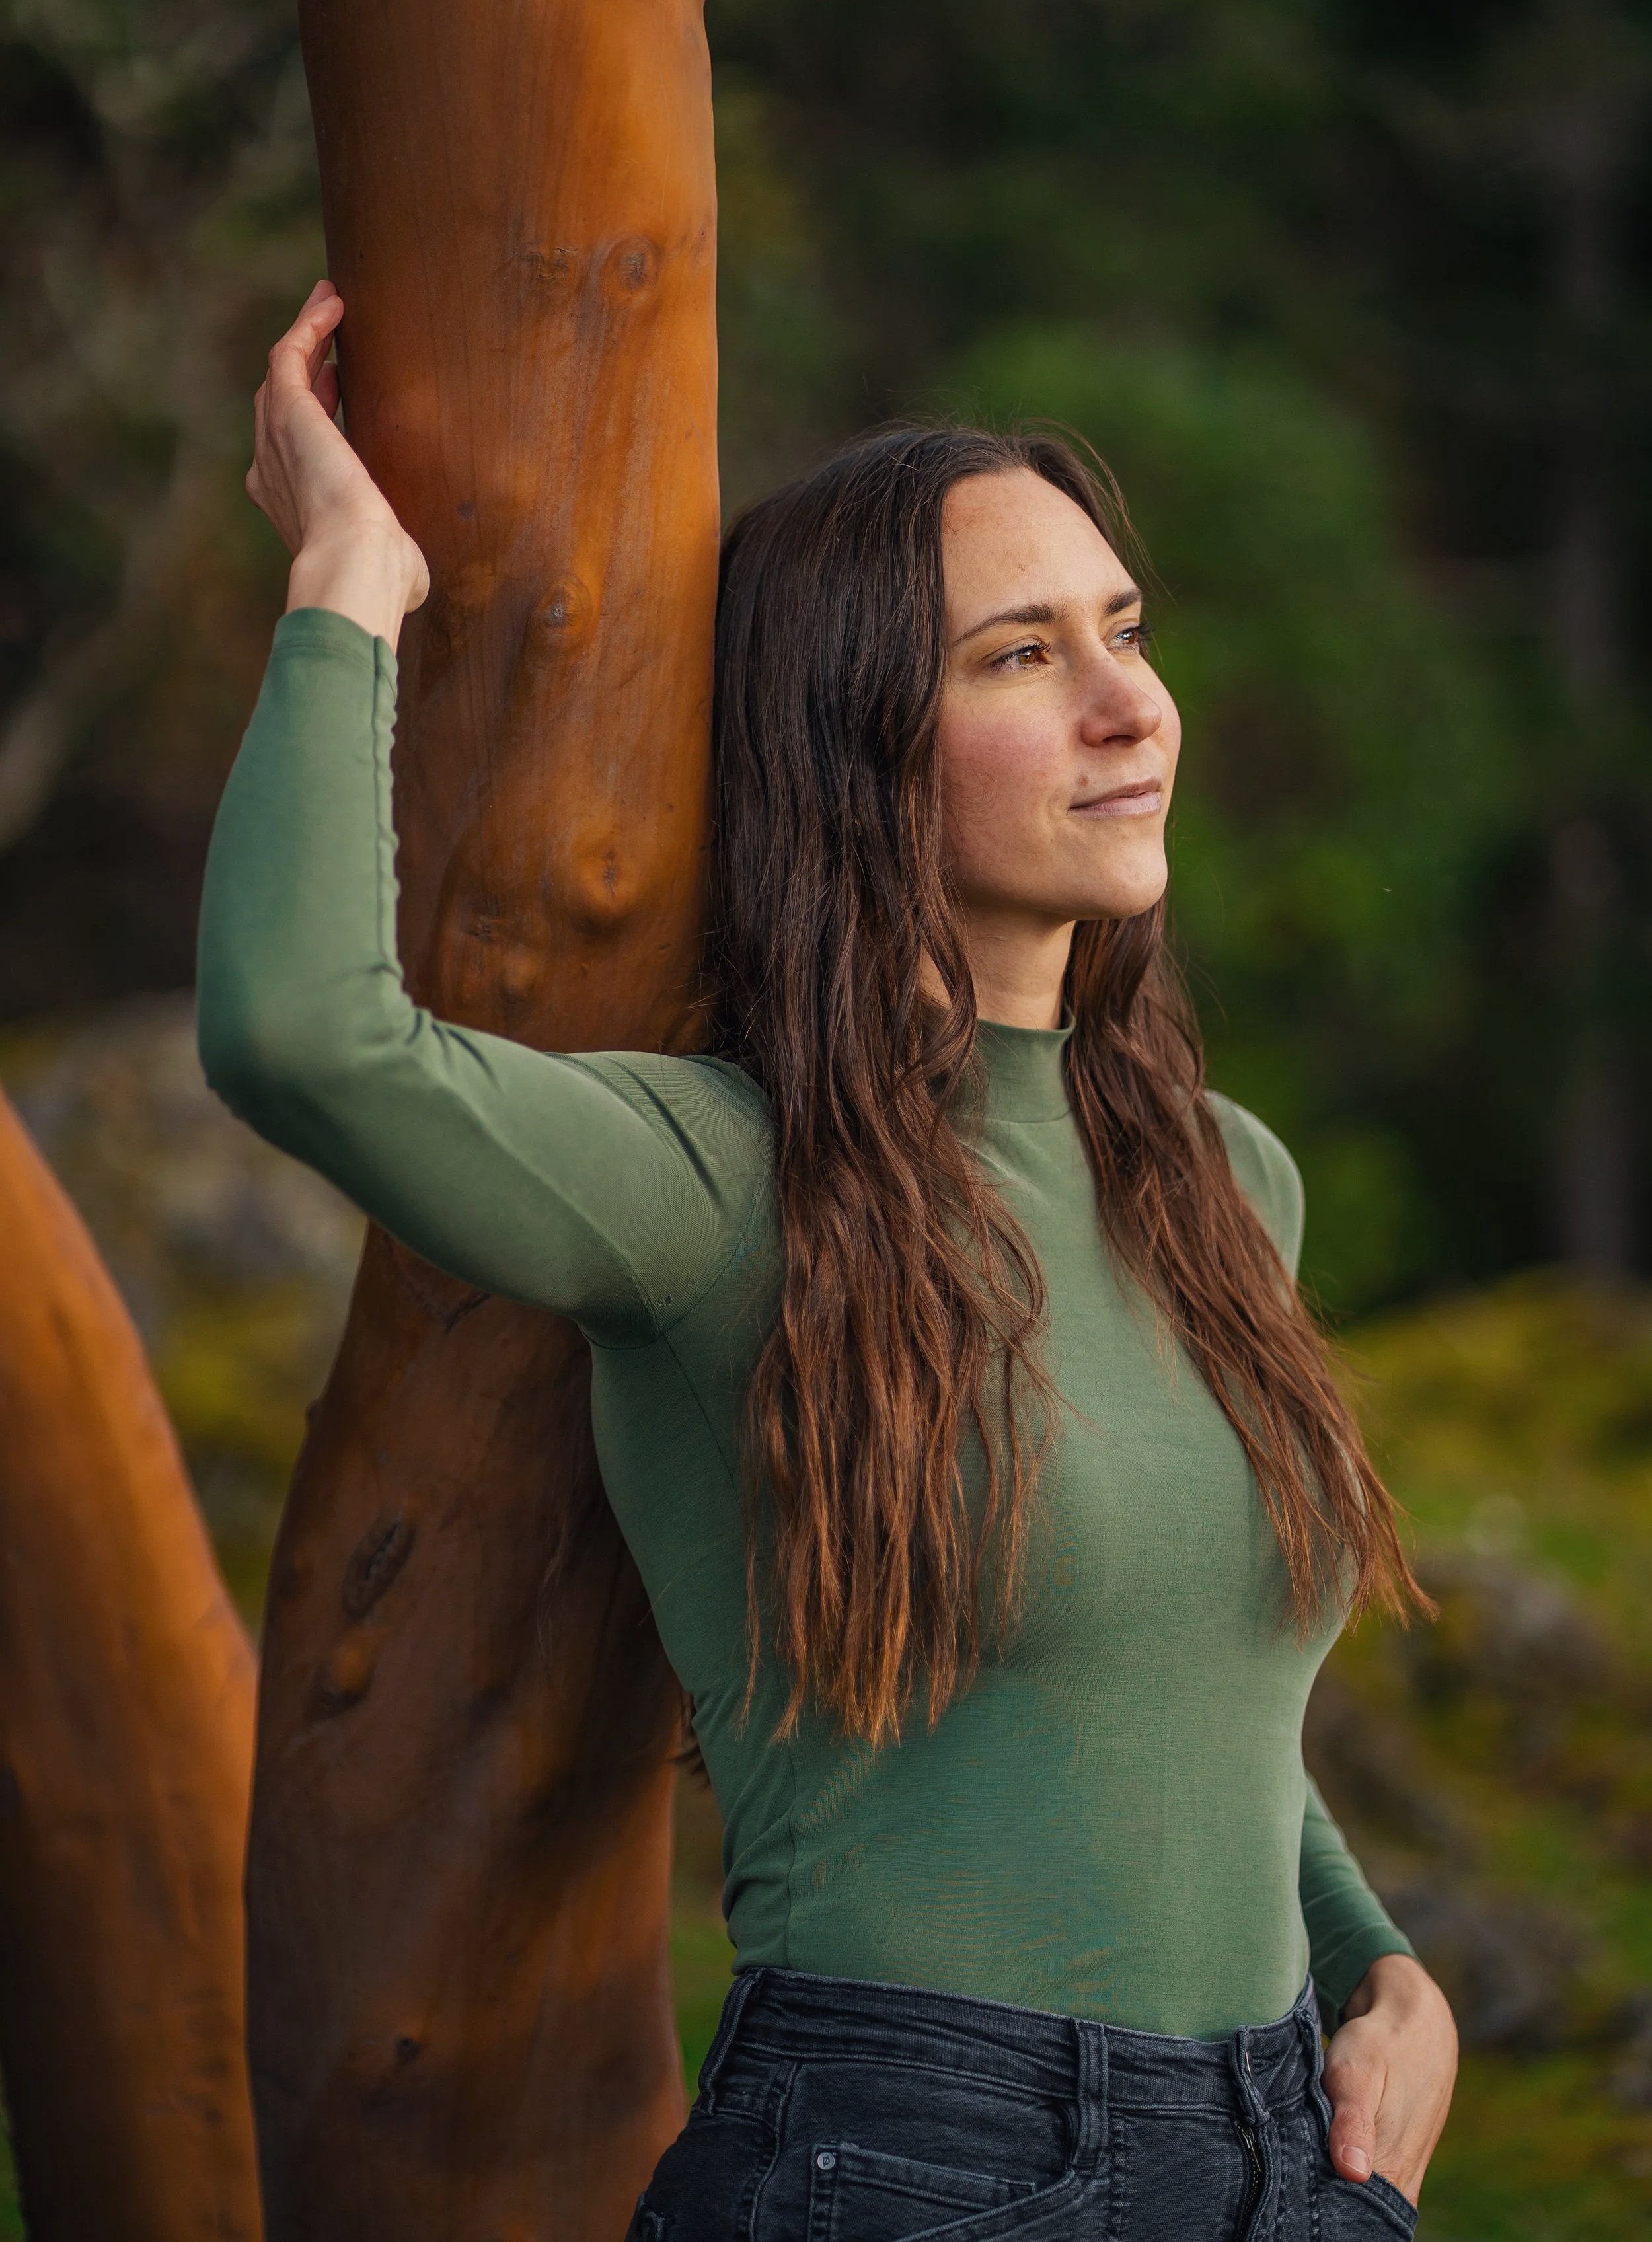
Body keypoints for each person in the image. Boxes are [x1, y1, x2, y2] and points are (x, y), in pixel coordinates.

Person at [199, 281, 1459, 2240]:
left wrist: (1379, 1963)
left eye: (1125, 632)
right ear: (854, 748)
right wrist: (351, 573)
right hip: (917, 2160)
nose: (1130, 705)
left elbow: (1174, 1691)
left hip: (1292, 2158)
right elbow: (304, 1039)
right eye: (1021, 655)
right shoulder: (721, 1179)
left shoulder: (1226, 1182)